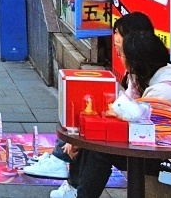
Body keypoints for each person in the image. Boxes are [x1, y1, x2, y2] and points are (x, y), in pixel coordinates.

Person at [51, 30, 171, 198]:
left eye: (122, 55)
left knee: (100, 151)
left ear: (137, 62)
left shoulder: (162, 91)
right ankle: (76, 189)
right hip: (167, 151)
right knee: (93, 141)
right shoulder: (161, 74)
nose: (120, 59)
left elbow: (133, 129)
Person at [24, 12, 156, 181]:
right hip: (140, 135)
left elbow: (135, 117)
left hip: (154, 148)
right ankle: (63, 166)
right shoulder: (136, 74)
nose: (118, 53)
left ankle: (64, 170)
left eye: (120, 48)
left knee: (92, 140)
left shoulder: (157, 82)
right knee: (83, 121)